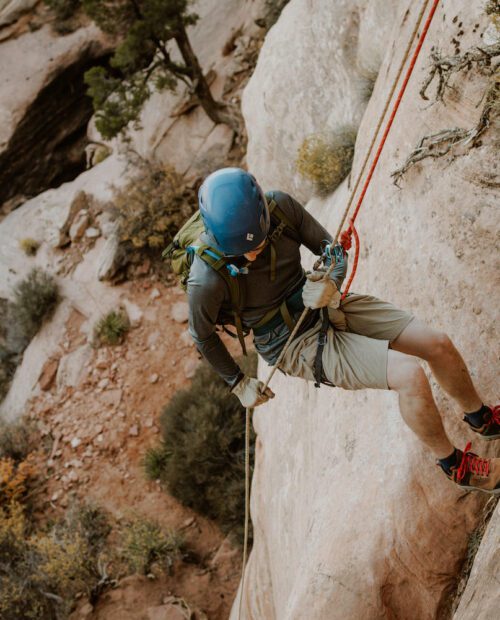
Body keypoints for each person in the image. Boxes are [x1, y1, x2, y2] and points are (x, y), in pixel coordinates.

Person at [187, 167, 500, 495]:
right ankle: (454, 466)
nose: (255, 252)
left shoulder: (280, 207)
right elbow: (202, 335)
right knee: (410, 375)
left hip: (321, 301)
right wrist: (237, 382)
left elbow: (332, 251)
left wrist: (330, 283)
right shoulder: (206, 278)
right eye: (243, 252)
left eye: (261, 240)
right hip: (290, 343)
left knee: (437, 344)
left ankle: (482, 418)